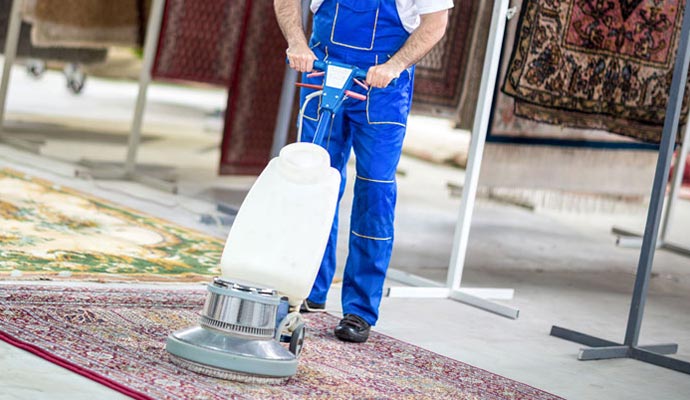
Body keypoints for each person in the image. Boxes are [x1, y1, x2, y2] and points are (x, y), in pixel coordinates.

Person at [275, 0, 453, 343]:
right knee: (313, 180)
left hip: (382, 88)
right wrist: (297, 43)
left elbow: (435, 23)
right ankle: (307, 285)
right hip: (322, 73)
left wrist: (395, 65)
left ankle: (359, 308)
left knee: (375, 191)